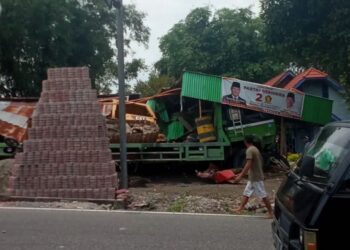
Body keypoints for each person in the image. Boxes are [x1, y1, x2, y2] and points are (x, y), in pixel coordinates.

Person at [233, 135, 273, 219]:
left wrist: (240, 176)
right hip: (253, 176)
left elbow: (248, 164)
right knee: (246, 192)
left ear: (245, 142)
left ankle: (270, 212)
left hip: (256, 177)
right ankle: (240, 208)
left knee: (263, 195)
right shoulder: (255, 149)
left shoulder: (249, 150)